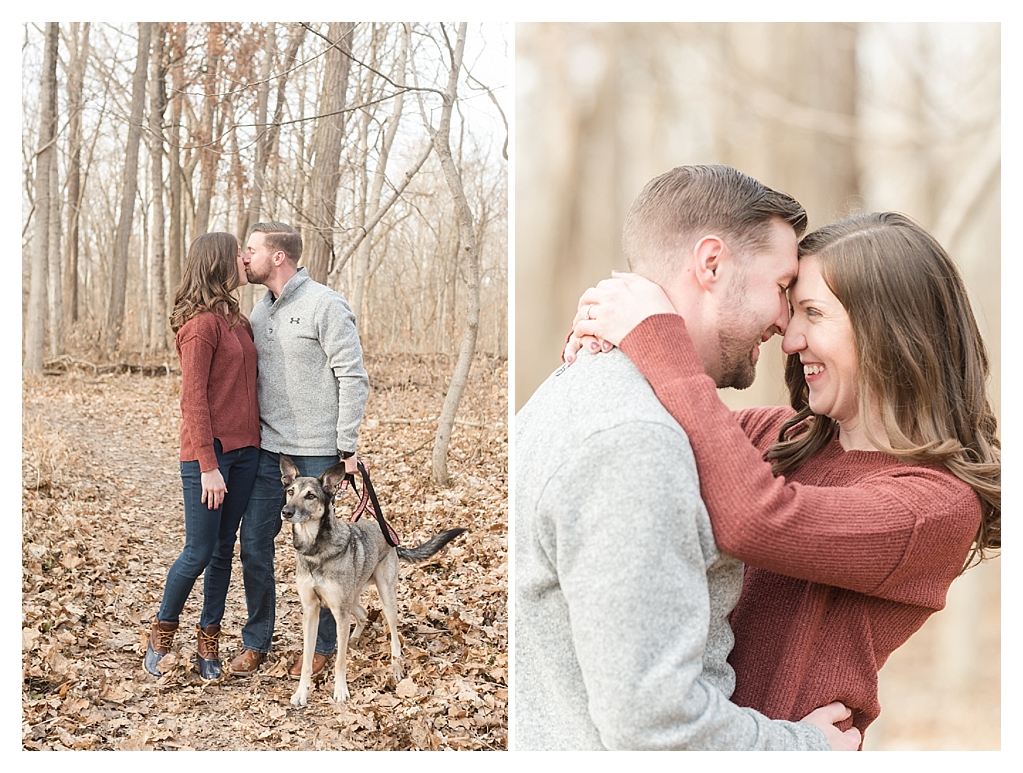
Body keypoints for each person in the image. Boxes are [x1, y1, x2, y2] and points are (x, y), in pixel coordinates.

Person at [568, 211, 1000, 744]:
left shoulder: (933, 507)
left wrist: (660, 336)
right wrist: (606, 343)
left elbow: (756, 519)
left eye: (814, 313)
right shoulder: (775, 436)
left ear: (889, 332)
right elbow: (642, 437)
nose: (789, 337)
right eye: (792, 310)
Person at [515, 165, 860, 750]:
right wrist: (807, 749)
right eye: (781, 288)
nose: (785, 323)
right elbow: (652, 722)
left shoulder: (576, 388)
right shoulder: (635, 440)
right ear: (711, 263)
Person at [227, 222, 370, 679]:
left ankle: (325, 646)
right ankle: (257, 641)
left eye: (251, 250)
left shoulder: (325, 304)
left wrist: (346, 445)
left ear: (279, 257)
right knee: (253, 544)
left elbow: (353, 375)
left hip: (317, 456)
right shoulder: (259, 312)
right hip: (270, 453)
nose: (244, 257)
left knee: (326, 552)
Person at [145, 232, 260, 680]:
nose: (244, 260)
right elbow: (193, 401)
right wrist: (209, 467)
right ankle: (162, 631)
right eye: (238, 254)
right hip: (207, 458)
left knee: (223, 551)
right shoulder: (200, 326)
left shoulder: (239, 320)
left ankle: (207, 639)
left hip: (247, 454)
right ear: (218, 263)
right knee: (198, 551)